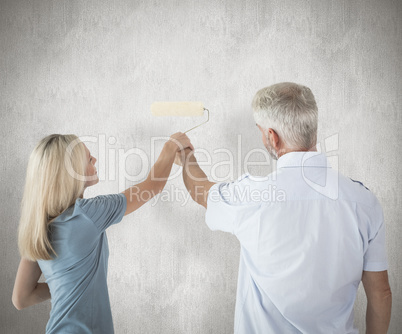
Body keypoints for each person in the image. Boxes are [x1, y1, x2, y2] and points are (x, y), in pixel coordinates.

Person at [176, 82, 392, 333]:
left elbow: (200, 190)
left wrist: (186, 155)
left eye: (261, 132)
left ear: (272, 137)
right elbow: (381, 294)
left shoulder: (250, 196)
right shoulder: (364, 201)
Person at [12, 132, 193, 333]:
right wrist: (171, 146)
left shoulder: (38, 227)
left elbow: (22, 297)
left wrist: (69, 287)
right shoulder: (88, 214)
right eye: (89, 158)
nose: (95, 159)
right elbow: (153, 186)